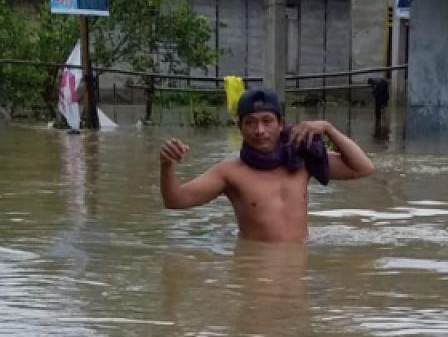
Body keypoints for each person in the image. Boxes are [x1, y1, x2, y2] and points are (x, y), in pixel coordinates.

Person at [159, 87, 374, 243]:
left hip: (296, 268)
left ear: (280, 124)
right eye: (250, 122)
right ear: (240, 128)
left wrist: (328, 129)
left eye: (267, 120)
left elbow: (363, 168)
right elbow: (175, 201)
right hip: (255, 271)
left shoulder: (301, 159)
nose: (259, 130)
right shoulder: (230, 173)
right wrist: (167, 165)